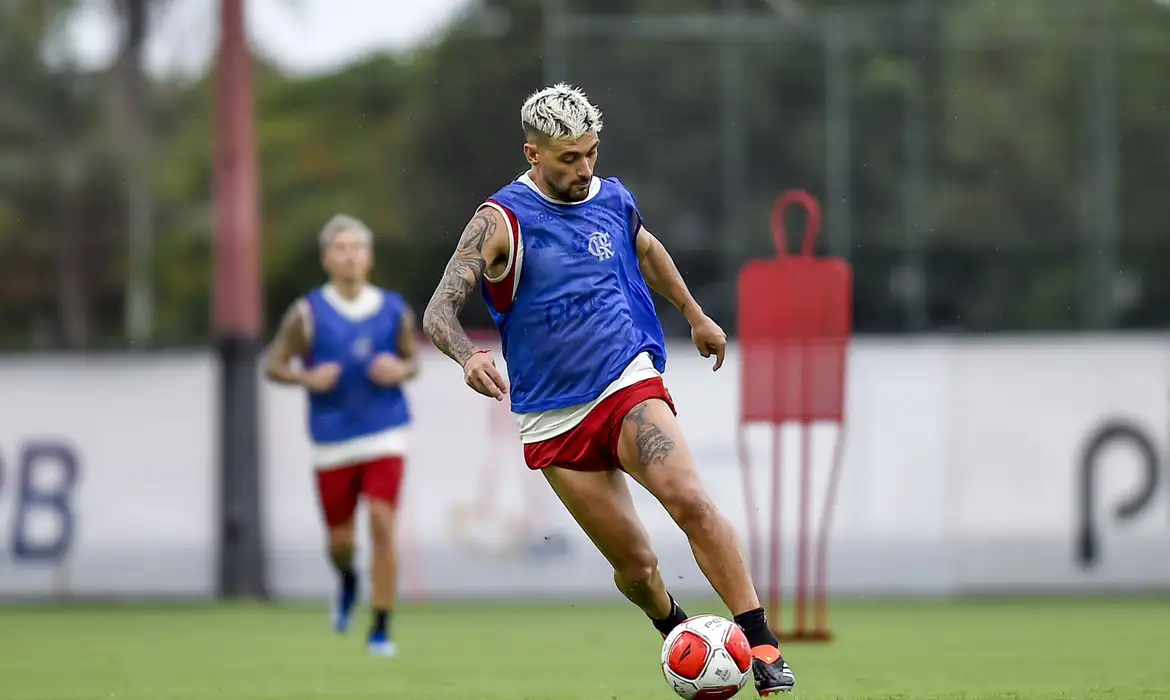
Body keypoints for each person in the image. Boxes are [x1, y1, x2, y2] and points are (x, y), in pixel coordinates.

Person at [421, 84, 796, 695]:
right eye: (569, 158)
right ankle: (679, 633)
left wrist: (695, 314)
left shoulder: (613, 199)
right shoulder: (500, 221)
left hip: (626, 381)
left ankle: (761, 644)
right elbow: (438, 310)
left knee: (689, 500)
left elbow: (646, 250)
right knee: (637, 568)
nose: (584, 168)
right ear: (533, 153)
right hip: (552, 419)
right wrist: (467, 356)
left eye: (591, 153)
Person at [264, 214, 417, 658]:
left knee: (383, 523)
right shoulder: (307, 313)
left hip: (385, 432)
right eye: (341, 248)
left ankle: (381, 627)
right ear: (326, 258)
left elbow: (412, 361)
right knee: (341, 541)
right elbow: (274, 365)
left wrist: (399, 370)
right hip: (332, 439)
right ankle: (348, 579)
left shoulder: (392, 309)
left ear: (369, 257)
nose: (350, 256)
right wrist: (306, 378)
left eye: (357, 248)